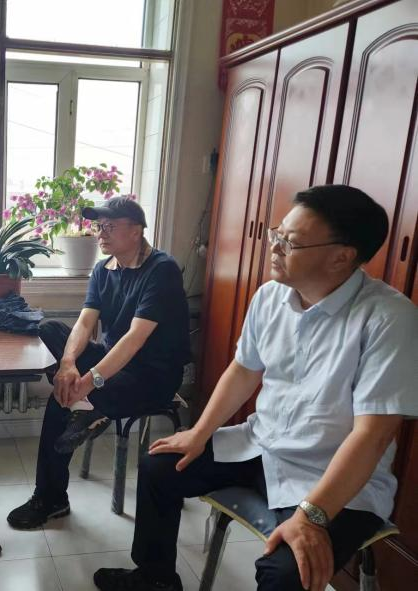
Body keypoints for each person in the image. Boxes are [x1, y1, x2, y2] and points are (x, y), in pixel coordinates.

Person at [94, 185, 418, 591]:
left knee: (286, 573)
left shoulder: (388, 318)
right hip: (261, 445)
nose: (275, 248)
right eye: (276, 234)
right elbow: (243, 371)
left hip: (333, 478)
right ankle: (155, 579)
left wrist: (312, 516)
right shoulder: (270, 296)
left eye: (290, 242)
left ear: (341, 257)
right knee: (159, 467)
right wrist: (199, 433)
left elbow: (373, 435)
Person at [8, 196, 191, 529]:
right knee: (50, 331)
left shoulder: (161, 270)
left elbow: (134, 339)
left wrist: (89, 381)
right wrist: (68, 364)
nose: (101, 234)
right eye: (99, 227)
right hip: (112, 363)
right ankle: (88, 408)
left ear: (136, 231)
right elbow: (84, 322)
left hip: (152, 375)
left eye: (110, 227)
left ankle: (51, 496)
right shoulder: (103, 269)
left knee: (61, 400)